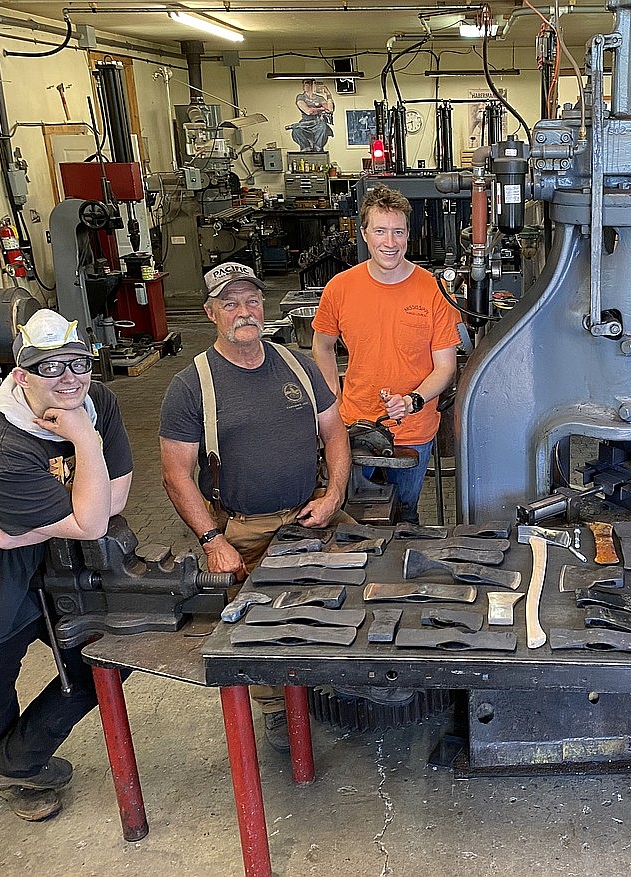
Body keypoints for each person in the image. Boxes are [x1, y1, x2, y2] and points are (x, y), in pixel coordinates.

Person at [0, 309, 134, 822]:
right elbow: (90, 522)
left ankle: (13, 764)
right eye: (50, 367)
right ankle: (11, 775)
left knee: (100, 663)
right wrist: (84, 445)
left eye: (78, 363)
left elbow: (113, 501)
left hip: (43, 567)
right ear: (20, 377)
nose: (70, 378)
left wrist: (24, 529)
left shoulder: (95, 402)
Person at [159, 262, 351, 749]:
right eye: (230, 303)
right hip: (243, 528)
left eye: (251, 301)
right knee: (261, 625)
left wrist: (333, 496)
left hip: (311, 515)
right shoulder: (191, 386)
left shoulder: (298, 366)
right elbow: (175, 473)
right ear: (210, 313)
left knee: (350, 590)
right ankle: (275, 706)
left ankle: (337, 677)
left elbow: (335, 434)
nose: (244, 312)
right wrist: (211, 539)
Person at [312, 184, 461, 524]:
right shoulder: (341, 288)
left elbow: (445, 367)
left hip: (414, 429)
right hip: (354, 426)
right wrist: (331, 399)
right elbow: (321, 345)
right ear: (364, 233)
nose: (390, 243)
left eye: (398, 232)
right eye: (380, 231)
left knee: (404, 513)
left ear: (409, 234)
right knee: (356, 519)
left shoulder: (432, 290)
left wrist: (412, 400)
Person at [288, 79, 334, 152]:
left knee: (323, 127)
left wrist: (328, 94)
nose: (306, 86)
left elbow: (330, 109)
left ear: (313, 85)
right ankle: (305, 147)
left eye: (308, 83)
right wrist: (321, 108)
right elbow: (308, 111)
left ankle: (318, 148)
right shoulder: (301, 97)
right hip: (305, 123)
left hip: (317, 122)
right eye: (305, 84)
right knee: (296, 130)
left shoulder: (319, 98)